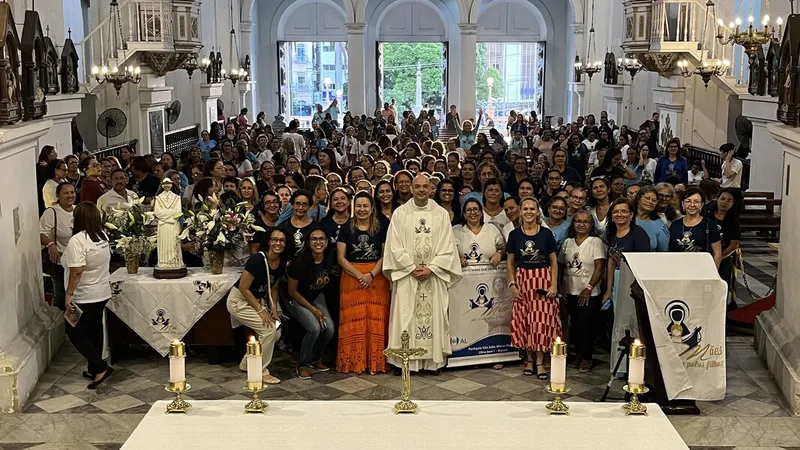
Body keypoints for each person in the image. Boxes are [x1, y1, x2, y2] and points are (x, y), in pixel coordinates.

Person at [383, 173, 462, 374]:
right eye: (417, 186)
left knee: (433, 318)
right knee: (405, 317)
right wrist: (411, 267)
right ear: (410, 188)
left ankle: (431, 362)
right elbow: (394, 246)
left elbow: (448, 247)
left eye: (425, 186)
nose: (420, 190)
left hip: (433, 276)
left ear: (431, 189)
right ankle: (405, 362)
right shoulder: (400, 214)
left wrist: (432, 268)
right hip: (407, 276)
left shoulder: (441, 214)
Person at [336, 192, 391, 374]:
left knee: (376, 320)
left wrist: (371, 274)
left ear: (372, 208)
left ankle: (376, 363)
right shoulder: (346, 228)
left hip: (377, 279)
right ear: (354, 208)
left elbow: (385, 255)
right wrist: (360, 275)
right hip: (352, 279)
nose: (362, 209)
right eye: (358, 206)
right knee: (355, 321)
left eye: (365, 206)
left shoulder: (382, 226)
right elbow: (341, 258)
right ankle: (354, 362)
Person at [62, 202, 113, 389]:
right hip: (101, 291)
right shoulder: (102, 236)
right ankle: (94, 368)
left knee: (74, 331)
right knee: (94, 330)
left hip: (85, 294)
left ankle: (100, 367)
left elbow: (77, 270)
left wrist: (69, 294)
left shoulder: (78, 240)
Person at [507, 196, 559, 379]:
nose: (529, 212)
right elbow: (511, 263)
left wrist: (553, 284)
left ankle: (540, 361)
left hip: (543, 280)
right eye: (525, 208)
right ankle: (529, 360)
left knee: (541, 322)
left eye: (532, 209)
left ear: (538, 212)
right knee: (526, 321)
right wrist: (512, 284)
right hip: (523, 280)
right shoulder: (514, 235)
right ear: (520, 211)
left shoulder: (546, 234)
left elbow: (553, 262)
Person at [227, 228, 288, 385]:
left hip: (257, 300)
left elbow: (273, 287)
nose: (278, 243)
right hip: (240, 300)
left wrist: (273, 309)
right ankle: (260, 370)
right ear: (268, 241)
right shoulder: (258, 260)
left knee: (276, 332)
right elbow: (243, 287)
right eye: (274, 239)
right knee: (268, 329)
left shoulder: (281, 262)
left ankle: (248, 362)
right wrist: (261, 311)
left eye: (281, 240)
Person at [559, 210, 606, 372]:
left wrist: (588, 288)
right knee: (575, 326)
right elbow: (560, 266)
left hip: (589, 293)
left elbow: (600, 268)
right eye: (578, 221)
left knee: (586, 325)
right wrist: (559, 286)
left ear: (591, 224)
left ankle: (587, 358)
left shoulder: (595, 242)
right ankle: (578, 354)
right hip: (570, 291)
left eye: (585, 222)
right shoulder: (567, 243)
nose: (581, 224)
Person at [286, 226, 336, 379]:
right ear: (308, 243)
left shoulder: (330, 256)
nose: (318, 242)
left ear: (327, 242)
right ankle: (303, 364)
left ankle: (316, 358)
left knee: (329, 329)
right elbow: (292, 291)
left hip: (315, 294)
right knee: (314, 327)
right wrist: (313, 310)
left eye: (322, 239)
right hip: (295, 297)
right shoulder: (299, 262)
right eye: (314, 239)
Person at [40, 182, 76, 310]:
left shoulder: (78, 210)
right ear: (58, 195)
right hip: (59, 262)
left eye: (72, 192)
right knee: (61, 297)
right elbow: (41, 234)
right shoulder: (51, 212)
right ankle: (60, 325)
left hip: (76, 262)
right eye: (66, 193)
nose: (70, 195)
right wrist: (51, 244)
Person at [705, 189, 741, 310]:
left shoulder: (733, 222)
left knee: (720, 287)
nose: (724, 202)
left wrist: (719, 257)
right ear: (717, 199)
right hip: (704, 256)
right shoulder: (707, 214)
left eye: (729, 200)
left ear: (733, 204)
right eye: (723, 199)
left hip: (723, 258)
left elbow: (734, 244)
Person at [668, 187, 722, 267]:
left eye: (696, 202)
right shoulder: (675, 225)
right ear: (683, 204)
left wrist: (713, 274)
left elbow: (717, 253)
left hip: (702, 269)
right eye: (688, 201)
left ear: (701, 205)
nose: (692, 205)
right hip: (677, 268)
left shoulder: (710, 225)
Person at [454, 198, 505, 267]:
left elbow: (503, 248)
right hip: (463, 275)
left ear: (481, 213)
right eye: (469, 210)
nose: (472, 212)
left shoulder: (492, 228)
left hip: (489, 275)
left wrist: (500, 253)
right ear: (464, 214)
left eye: (475, 209)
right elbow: (449, 252)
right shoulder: (456, 230)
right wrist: (457, 259)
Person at [634, 185, 669, 251]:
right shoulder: (627, 219)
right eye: (647, 198)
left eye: (654, 200)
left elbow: (664, 253)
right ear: (638, 199)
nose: (650, 202)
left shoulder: (659, 225)